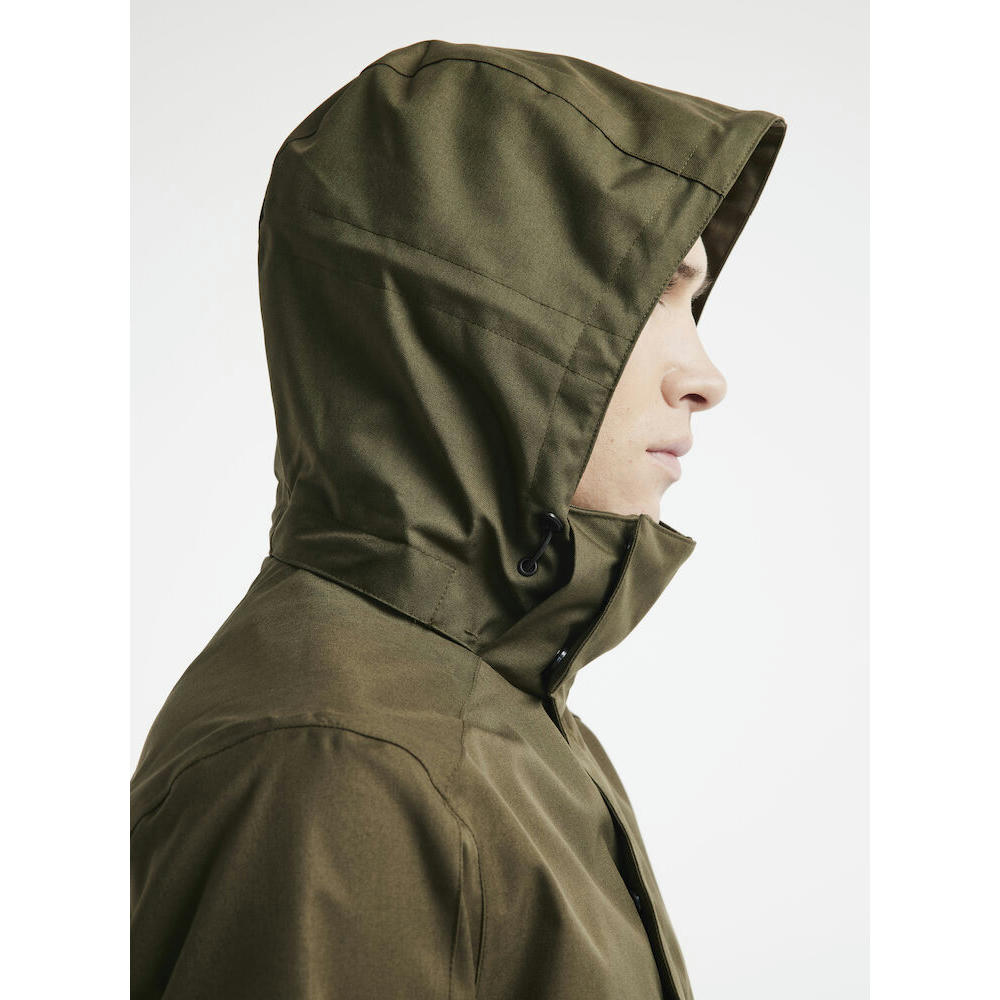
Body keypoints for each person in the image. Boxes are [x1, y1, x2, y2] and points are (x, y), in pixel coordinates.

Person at [131, 38, 786, 1000]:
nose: (704, 377)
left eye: (694, 304)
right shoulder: (339, 760)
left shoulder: (489, 706)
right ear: (475, 331)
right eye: (651, 299)